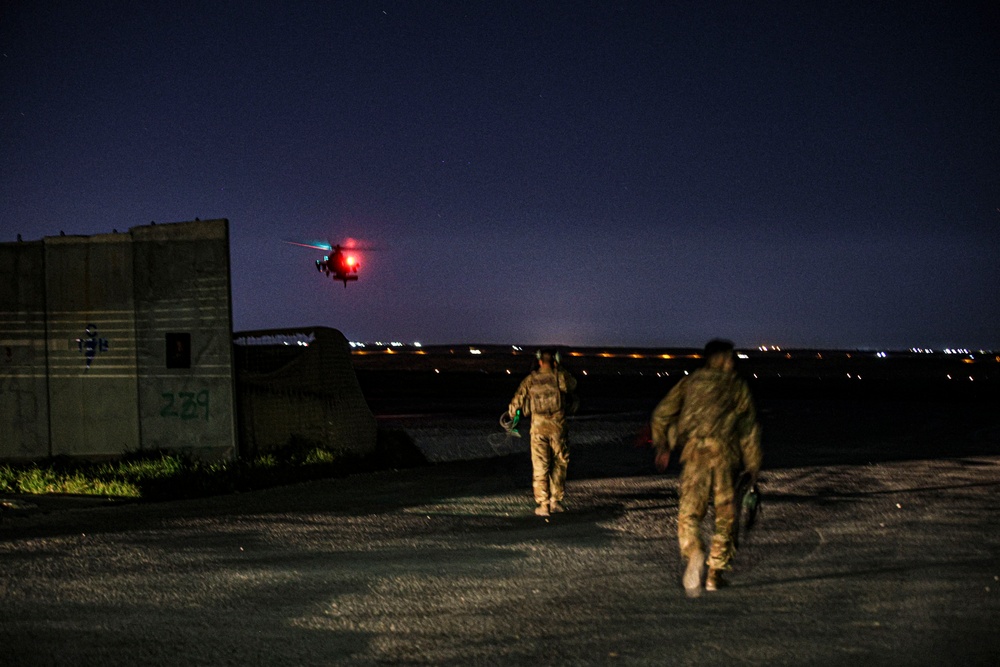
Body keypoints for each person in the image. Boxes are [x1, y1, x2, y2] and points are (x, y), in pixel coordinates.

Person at [650, 339, 762, 597]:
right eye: (730, 357)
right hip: (724, 459)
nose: (733, 362)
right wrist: (753, 465)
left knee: (689, 513)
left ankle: (693, 551)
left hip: (695, 457)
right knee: (726, 518)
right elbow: (748, 429)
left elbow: (661, 415)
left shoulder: (690, 383)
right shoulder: (736, 386)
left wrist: (663, 446)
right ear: (719, 358)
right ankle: (714, 575)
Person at [508, 349, 578, 517]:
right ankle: (555, 501)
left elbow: (515, 404)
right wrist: (559, 368)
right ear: (555, 361)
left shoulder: (530, 380)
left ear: (539, 361)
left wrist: (513, 416)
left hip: (538, 430)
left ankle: (543, 504)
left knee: (540, 467)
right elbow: (572, 384)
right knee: (560, 463)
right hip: (557, 430)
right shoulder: (559, 376)